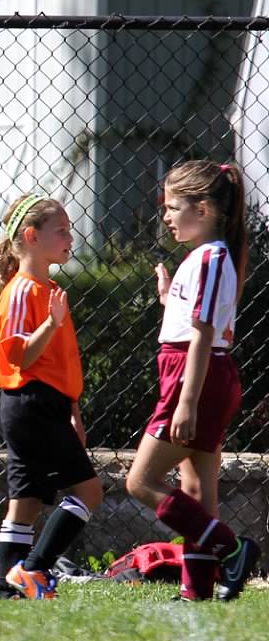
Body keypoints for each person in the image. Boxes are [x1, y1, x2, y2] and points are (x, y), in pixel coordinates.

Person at [123, 161, 260, 601]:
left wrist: (186, 401)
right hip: (193, 373)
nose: (165, 215)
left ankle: (232, 549)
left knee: (140, 482)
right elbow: (194, 322)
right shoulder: (202, 257)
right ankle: (196, 591)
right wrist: (170, 300)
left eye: (172, 207)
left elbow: (203, 336)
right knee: (197, 489)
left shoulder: (214, 258)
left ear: (202, 209)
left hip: (196, 377)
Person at [0, 194, 103, 600]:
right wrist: (51, 324)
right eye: (62, 231)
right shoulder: (23, 291)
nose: (70, 238)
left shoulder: (48, 289)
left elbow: (60, 365)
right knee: (89, 492)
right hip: (31, 405)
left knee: (26, 502)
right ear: (32, 236)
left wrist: (73, 411)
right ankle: (32, 570)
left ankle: (5, 589)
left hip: (43, 405)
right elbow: (20, 355)